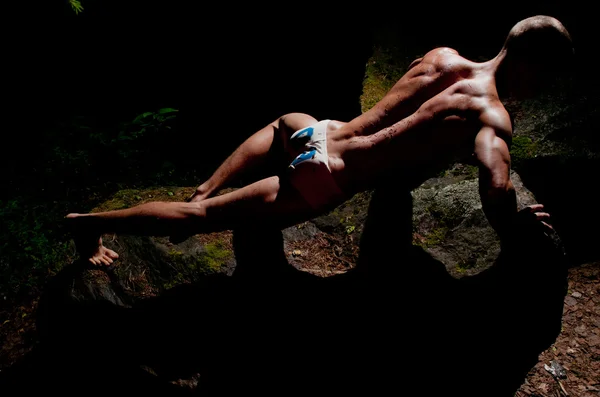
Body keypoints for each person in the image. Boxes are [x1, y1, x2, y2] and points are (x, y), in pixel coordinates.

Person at [66, 15, 573, 267]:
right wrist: (516, 225)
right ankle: (85, 226)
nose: (540, 88)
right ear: (529, 62)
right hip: (326, 177)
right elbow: (494, 184)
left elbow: (410, 121)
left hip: (314, 129)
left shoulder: (442, 56)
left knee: (275, 128)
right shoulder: (492, 115)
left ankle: (206, 185)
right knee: (201, 222)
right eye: (545, 77)